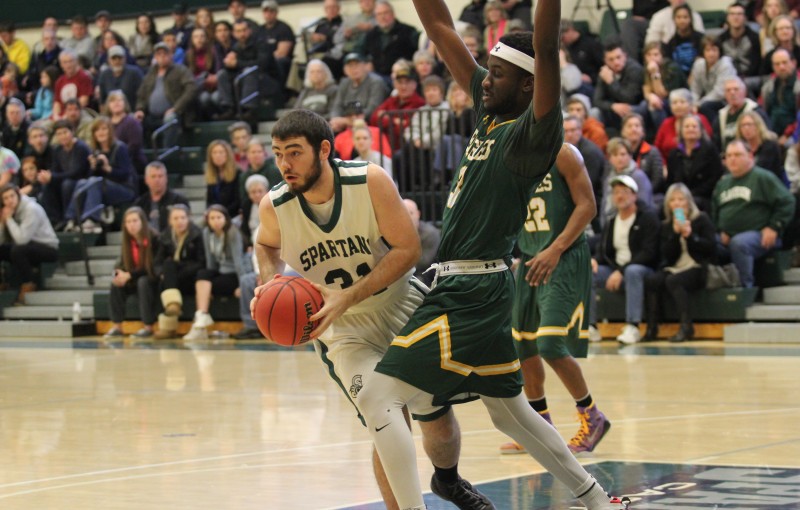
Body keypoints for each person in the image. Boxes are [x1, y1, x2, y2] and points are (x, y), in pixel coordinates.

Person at [346, 0, 626, 505]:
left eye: (496, 74)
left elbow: (543, 46)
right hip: (473, 283)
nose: (484, 80)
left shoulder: (533, 136)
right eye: (486, 72)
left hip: (471, 289)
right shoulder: (489, 110)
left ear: (527, 84)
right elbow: (438, 26)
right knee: (510, 411)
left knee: (379, 396)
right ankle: (595, 500)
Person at [252, 109, 493, 510]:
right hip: (342, 330)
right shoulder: (275, 206)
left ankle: (448, 481)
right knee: (386, 421)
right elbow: (266, 244)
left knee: (438, 420)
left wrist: (349, 294)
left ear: (324, 150)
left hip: (400, 305)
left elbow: (409, 249)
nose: (284, 165)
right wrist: (268, 282)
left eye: (294, 153)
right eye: (278, 154)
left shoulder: (369, 181)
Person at [498, 142, 612, 457]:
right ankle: (539, 428)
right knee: (523, 347)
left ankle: (592, 416)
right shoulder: (510, 157)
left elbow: (588, 206)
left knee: (550, 344)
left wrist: (556, 248)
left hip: (564, 256)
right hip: (531, 257)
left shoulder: (562, 153)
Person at [712, 139, 795, 288]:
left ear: (750, 156)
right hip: (728, 236)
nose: (732, 159)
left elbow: (787, 201)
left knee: (740, 243)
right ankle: (714, 288)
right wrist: (720, 230)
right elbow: (715, 211)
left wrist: (774, 226)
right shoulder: (722, 183)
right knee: (704, 242)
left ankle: (744, 290)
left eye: (737, 154)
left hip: (760, 235)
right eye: (729, 156)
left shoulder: (762, 177)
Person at [590, 175, 660, 344]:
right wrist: (595, 261)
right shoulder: (612, 221)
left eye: (624, 192)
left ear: (634, 195)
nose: (620, 196)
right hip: (616, 269)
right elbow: (604, 251)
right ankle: (590, 326)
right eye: (616, 192)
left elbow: (648, 252)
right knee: (588, 271)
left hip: (643, 268)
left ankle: (633, 326)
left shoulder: (648, 218)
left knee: (632, 271)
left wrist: (621, 271)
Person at [644, 183, 716, 342]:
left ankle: (686, 327)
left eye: (680, 199)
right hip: (675, 266)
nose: (677, 203)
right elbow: (667, 256)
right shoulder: (666, 225)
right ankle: (652, 328)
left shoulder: (701, 219)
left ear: (688, 202)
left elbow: (711, 248)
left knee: (673, 281)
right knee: (652, 280)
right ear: (668, 205)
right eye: (673, 200)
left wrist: (690, 237)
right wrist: (676, 235)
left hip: (697, 266)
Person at [62, 117, 137, 233]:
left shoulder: (120, 148)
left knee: (95, 183)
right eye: (97, 130)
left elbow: (125, 175)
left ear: (110, 131)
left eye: (104, 129)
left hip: (124, 188)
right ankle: (71, 219)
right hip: (103, 187)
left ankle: (92, 220)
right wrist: (92, 167)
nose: (101, 133)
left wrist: (108, 168)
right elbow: (89, 178)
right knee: (82, 183)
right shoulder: (95, 151)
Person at [183, 204, 244, 341]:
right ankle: (202, 317)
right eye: (212, 218)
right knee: (202, 274)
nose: (216, 221)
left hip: (233, 273)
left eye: (219, 217)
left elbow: (238, 261)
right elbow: (211, 263)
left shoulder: (232, 232)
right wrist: (207, 286)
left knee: (204, 286)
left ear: (226, 218)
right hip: (219, 271)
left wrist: (241, 285)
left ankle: (199, 325)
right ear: (207, 220)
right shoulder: (206, 233)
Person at [104, 207, 161, 340]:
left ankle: (148, 327)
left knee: (143, 282)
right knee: (116, 284)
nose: (131, 225)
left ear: (142, 222)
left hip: (152, 278)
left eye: (135, 221)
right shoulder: (127, 242)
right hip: (134, 277)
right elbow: (121, 264)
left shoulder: (155, 239)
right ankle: (117, 326)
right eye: (128, 222)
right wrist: (117, 275)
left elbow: (152, 267)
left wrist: (129, 275)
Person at [0, 183, 59, 304]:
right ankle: (2, 283)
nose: (9, 200)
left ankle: (29, 284)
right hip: (28, 247)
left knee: (18, 250)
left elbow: (22, 240)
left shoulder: (31, 209)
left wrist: (10, 220)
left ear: (18, 195)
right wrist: (2, 222)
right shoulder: (9, 211)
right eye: (5, 198)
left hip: (48, 248)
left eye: (12, 196)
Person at [154, 204, 205, 340]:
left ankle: (168, 326)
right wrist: (162, 273)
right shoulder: (165, 236)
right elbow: (157, 263)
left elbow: (201, 262)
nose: (179, 221)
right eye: (175, 218)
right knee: (167, 268)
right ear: (170, 221)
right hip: (172, 276)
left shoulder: (196, 234)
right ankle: (173, 306)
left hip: (190, 276)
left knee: (169, 274)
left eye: (183, 217)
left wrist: (177, 271)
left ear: (189, 218)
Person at [134, 42, 197, 148]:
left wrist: (176, 108)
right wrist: (140, 109)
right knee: (134, 120)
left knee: (170, 119)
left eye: (165, 53)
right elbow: (141, 95)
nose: (162, 56)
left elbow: (191, 88)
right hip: (151, 115)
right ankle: (144, 154)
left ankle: (166, 153)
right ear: (155, 57)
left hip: (175, 113)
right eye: (159, 54)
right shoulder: (150, 73)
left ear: (171, 55)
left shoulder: (180, 70)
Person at [665, 114, 725, 211]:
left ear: (701, 130)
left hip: (703, 197)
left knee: (692, 204)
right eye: (687, 126)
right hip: (679, 198)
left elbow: (715, 178)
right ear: (681, 131)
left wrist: (690, 195)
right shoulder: (674, 154)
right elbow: (670, 180)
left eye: (694, 126)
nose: (690, 129)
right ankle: (680, 225)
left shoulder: (710, 150)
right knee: (671, 206)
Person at [43, 120, 91, 226]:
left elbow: (77, 172)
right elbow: (55, 169)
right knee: (47, 186)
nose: (62, 136)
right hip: (65, 179)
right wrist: (48, 176)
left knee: (67, 184)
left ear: (72, 132)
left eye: (65, 132)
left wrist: (53, 176)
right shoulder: (57, 150)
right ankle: (55, 220)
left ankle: (69, 218)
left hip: (82, 181)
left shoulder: (81, 148)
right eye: (59, 134)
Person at [329, 53, 389, 132]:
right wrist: (335, 120)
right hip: (345, 126)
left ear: (365, 66)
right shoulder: (344, 83)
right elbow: (337, 106)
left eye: (357, 65)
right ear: (345, 70)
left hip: (369, 126)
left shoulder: (376, 82)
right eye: (350, 66)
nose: (354, 69)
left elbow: (372, 109)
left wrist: (347, 121)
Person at [360, 1, 419, 82]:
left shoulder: (408, 31)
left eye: (385, 13)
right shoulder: (371, 35)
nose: (383, 17)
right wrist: (366, 63)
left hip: (402, 76)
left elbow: (417, 54)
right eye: (379, 14)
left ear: (393, 14)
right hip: (376, 77)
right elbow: (361, 52)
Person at [600, 138, 654, 225]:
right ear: (609, 158)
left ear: (630, 155)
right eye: (615, 155)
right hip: (609, 224)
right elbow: (604, 203)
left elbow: (644, 205)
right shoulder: (609, 176)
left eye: (623, 154)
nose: (619, 158)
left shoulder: (638, 176)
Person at [593, 42, 645, 132]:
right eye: (611, 59)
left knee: (628, 109)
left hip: (635, 107)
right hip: (615, 109)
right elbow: (597, 100)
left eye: (618, 57)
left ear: (625, 56)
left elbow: (629, 98)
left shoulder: (634, 69)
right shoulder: (605, 72)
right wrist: (613, 106)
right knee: (594, 112)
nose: (616, 62)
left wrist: (611, 82)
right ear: (605, 61)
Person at [653, 88, 713, 161]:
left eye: (682, 102)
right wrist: (663, 165)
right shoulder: (666, 123)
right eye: (674, 103)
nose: (678, 106)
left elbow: (708, 144)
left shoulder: (700, 119)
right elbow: (657, 148)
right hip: (668, 166)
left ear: (690, 104)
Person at [713, 77, 771, 151]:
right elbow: (716, 143)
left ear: (744, 92)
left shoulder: (756, 111)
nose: (732, 93)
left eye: (736, 89)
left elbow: (766, 136)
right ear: (724, 95)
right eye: (728, 90)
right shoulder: (720, 116)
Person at [690, 37, 737, 125]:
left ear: (720, 51)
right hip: (707, 99)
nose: (711, 54)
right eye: (707, 50)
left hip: (725, 100)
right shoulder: (698, 64)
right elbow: (695, 89)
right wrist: (693, 103)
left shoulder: (725, 65)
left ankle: (717, 130)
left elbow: (719, 92)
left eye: (714, 50)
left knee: (705, 107)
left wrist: (699, 104)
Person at [641, 41, 687, 130]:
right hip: (659, 100)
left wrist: (655, 73)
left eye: (655, 54)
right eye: (649, 55)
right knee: (642, 107)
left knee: (654, 106)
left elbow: (662, 94)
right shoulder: (647, 68)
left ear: (662, 55)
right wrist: (651, 97)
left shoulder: (672, 68)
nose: (652, 58)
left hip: (677, 99)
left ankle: (664, 133)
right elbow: (646, 90)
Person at [133, 161, 189, 232]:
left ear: (166, 178)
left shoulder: (179, 200)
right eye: (153, 176)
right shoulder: (140, 204)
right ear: (146, 180)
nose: (157, 180)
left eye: (160, 176)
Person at [760, 48, 800, 144]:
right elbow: (763, 114)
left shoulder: (798, 87)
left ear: (793, 63)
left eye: (784, 62)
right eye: (777, 64)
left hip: (795, 134)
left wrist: (787, 135)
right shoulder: (767, 88)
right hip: (771, 132)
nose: (781, 67)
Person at [735, 111, 786, 184]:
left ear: (758, 126)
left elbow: (761, 168)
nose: (746, 128)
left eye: (749, 124)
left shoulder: (770, 145)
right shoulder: (740, 147)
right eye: (743, 125)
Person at [718, 2, 762, 86]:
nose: (736, 17)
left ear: (745, 17)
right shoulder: (720, 39)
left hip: (749, 79)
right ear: (727, 18)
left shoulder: (754, 38)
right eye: (732, 14)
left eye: (739, 14)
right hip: (727, 79)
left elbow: (756, 64)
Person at [106, 90, 147, 176]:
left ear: (125, 103)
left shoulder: (132, 122)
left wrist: (116, 157)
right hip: (110, 161)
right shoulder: (106, 123)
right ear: (108, 105)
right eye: (113, 101)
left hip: (132, 163)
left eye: (119, 100)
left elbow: (134, 146)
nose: (116, 103)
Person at [205, 140, 241, 218]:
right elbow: (209, 201)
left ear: (227, 154)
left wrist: (221, 213)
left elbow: (237, 201)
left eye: (221, 152)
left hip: (232, 215)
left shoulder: (238, 173)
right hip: (215, 215)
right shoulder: (211, 175)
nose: (218, 155)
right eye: (214, 153)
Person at [53, 50, 93, 120]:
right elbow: (57, 102)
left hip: (78, 113)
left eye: (70, 61)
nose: (68, 65)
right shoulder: (59, 81)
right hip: (61, 116)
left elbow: (83, 101)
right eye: (65, 62)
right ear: (61, 65)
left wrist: (67, 115)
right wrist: (56, 116)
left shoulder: (84, 77)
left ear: (76, 62)